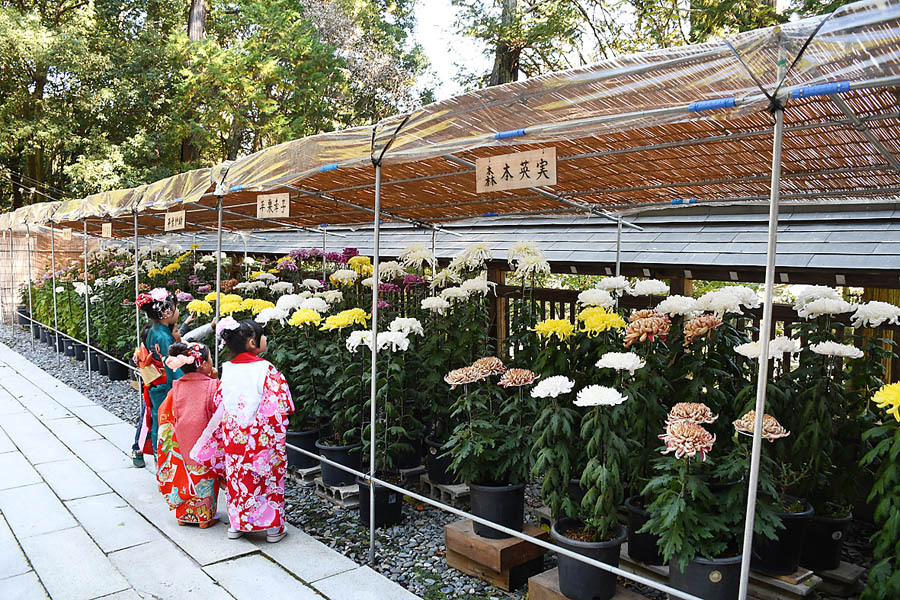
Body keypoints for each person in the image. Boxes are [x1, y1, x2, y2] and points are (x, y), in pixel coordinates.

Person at [191, 317, 294, 543]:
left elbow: (221, 401)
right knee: (267, 481)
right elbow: (280, 402)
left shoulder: (227, 370)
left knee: (237, 480)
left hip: (234, 437)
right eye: (262, 335)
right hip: (261, 439)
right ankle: (273, 529)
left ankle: (236, 526)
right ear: (251, 343)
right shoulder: (266, 369)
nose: (265, 338)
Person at [156, 342, 221, 528]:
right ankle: (204, 518)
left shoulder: (176, 387)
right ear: (204, 364)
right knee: (204, 481)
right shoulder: (213, 386)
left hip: (181, 445)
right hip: (204, 447)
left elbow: (164, 413)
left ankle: (183, 515)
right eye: (210, 359)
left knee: (182, 480)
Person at [132, 288, 182, 468]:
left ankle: (158, 460)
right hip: (164, 385)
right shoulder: (164, 336)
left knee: (156, 419)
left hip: (155, 384)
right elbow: (173, 367)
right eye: (175, 308)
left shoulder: (153, 330)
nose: (177, 311)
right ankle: (164, 464)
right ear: (166, 311)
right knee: (165, 423)